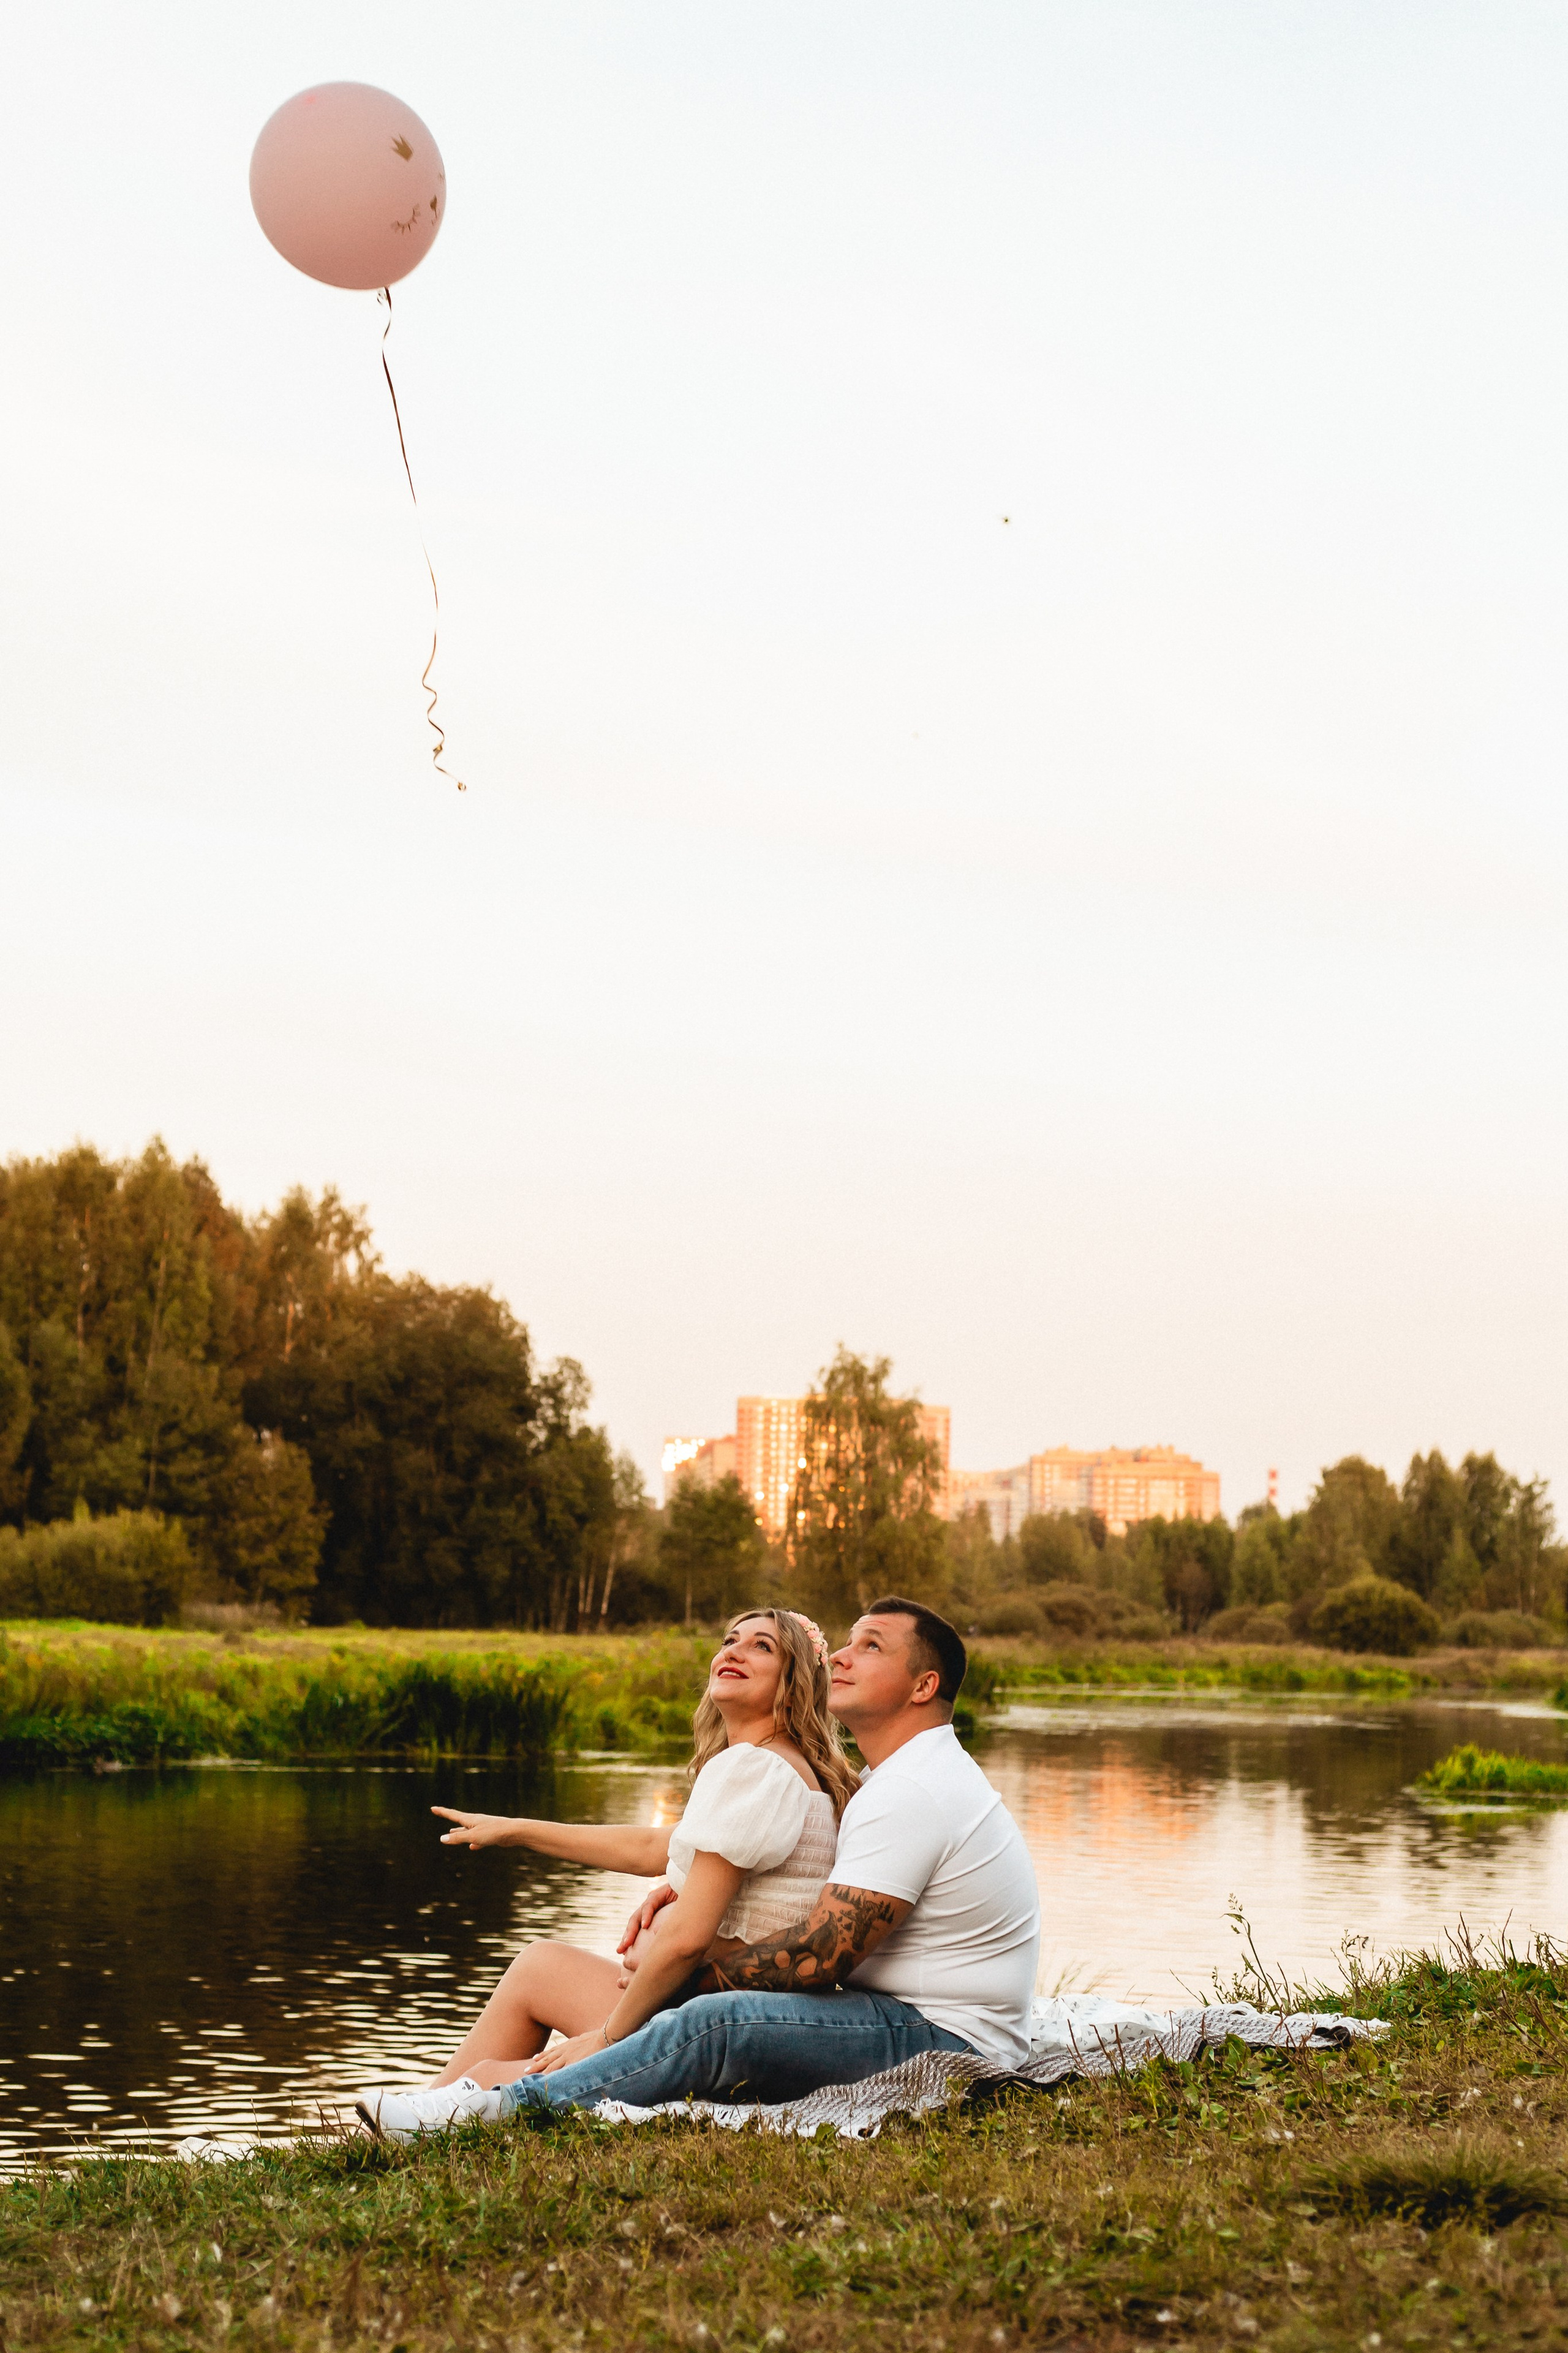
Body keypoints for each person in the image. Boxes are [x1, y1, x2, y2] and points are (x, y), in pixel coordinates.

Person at [358, 1598, 1041, 2141]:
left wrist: (687, 1973)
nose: (842, 1654)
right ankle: (431, 2111)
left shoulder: (907, 1790)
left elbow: (823, 1953)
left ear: (924, 1685)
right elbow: (716, 1858)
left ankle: (501, 2107)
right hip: (888, 2013)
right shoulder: (878, 1780)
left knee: (719, 2020)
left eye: (871, 1645)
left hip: (941, 2036)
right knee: (551, 1969)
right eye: (846, 1641)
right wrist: (677, 1888)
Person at [355, 1607, 855, 2124]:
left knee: (488, 2076)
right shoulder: (787, 1768)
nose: (734, 1651)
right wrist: (516, 1829)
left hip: (712, 2020)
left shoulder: (755, 1769)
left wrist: (608, 2035)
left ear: (793, 1687)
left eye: (762, 1646)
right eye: (731, 1639)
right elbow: (650, 1846)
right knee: (538, 1966)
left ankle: (407, 2124)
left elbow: (687, 1939)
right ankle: (409, 2118)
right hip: (728, 2009)